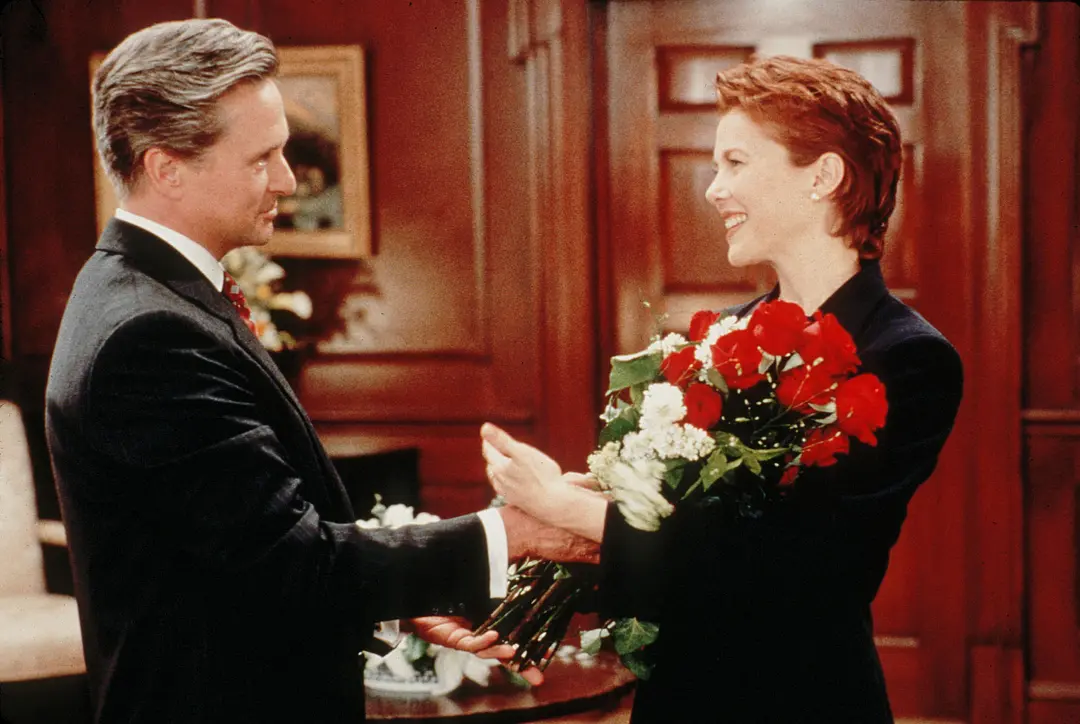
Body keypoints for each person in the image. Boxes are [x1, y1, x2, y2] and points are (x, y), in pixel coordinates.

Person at [45, 19, 596, 724]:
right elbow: (295, 566)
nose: (286, 180)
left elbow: (239, 557)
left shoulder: (144, 294)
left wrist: (399, 600)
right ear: (166, 168)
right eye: (261, 159)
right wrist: (514, 531)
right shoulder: (148, 335)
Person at [481, 55, 964, 723]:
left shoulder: (907, 356)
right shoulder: (722, 336)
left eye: (735, 162)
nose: (713, 189)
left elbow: (802, 572)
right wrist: (599, 503)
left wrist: (574, 512)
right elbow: (679, 545)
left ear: (823, 176)